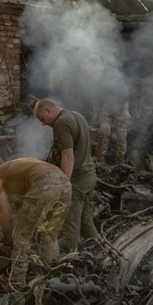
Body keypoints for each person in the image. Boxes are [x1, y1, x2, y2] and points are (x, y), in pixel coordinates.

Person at [0, 158, 71, 290]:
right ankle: (53, 277)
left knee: (21, 238)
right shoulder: (10, 168)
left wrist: (7, 241)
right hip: (64, 184)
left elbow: (5, 214)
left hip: (45, 184)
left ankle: (16, 285)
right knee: (49, 235)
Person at [33, 99, 98, 252]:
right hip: (89, 177)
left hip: (76, 183)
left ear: (48, 109)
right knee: (86, 222)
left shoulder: (61, 123)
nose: (43, 123)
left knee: (70, 230)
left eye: (42, 119)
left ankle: (63, 261)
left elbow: (68, 157)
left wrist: (63, 186)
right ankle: (101, 253)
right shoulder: (76, 115)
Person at [84, 54, 131, 165]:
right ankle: (100, 159)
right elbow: (95, 97)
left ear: (97, 65)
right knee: (104, 129)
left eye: (89, 68)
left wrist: (125, 110)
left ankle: (119, 161)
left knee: (121, 134)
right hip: (106, 107)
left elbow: (124, 92)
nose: (89, 72)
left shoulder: (112, 73)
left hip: (119, 106)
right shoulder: (95, 78)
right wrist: (95, 113)